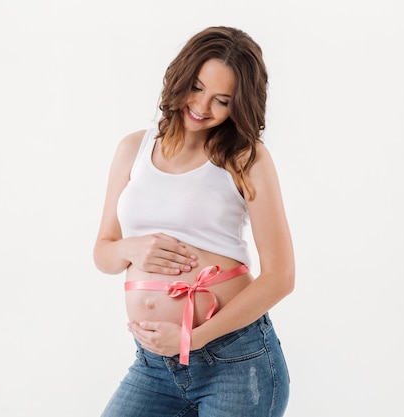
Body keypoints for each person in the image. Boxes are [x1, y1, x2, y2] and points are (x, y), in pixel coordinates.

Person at [93, 26, 295, 417]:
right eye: (196, 87)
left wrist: (192, 337)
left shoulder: (245, 158)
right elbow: (104, 253)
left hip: (235, 363)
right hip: (154, 367)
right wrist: (129, 248)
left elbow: (281, 277)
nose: (202, 107)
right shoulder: (132, 149)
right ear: (180, 77)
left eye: (222, 100)